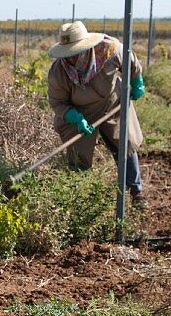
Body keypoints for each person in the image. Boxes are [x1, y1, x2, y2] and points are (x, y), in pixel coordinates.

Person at [47, 21, 146, 200]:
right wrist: (74, 117)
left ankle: (135, 191)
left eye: (75, 52)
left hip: (112, 103)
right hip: (79, 111)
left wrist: (137, 82)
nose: (71, 58)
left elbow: (131, 63)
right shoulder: (58, 71)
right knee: (79, 157)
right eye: (68, 53)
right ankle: (81, 197)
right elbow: (57, 102)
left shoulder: (111, 50)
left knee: (125, 144)